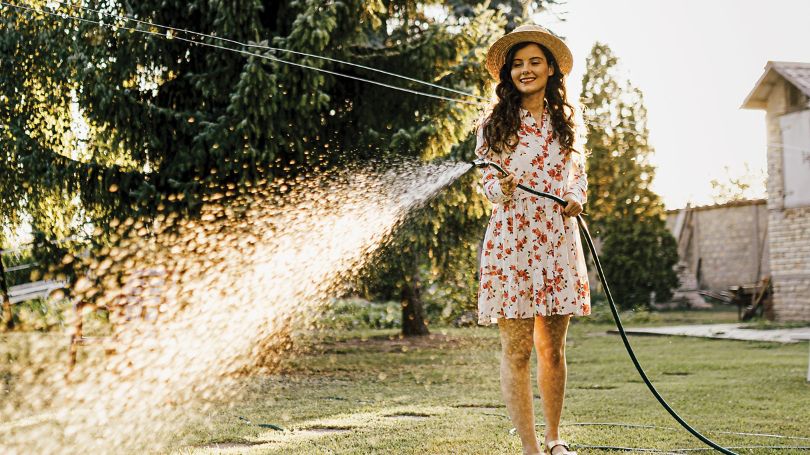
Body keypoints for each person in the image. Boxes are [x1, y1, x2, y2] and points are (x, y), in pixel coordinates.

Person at [474, 24, 590, 455]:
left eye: (534, 62)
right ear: (508, 74)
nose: (525, 70)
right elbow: (485, 179)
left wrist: (575, 199)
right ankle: (529, 448)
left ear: (551, 69)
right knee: (517, 350)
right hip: (512, 243)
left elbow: (576, 177)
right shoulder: (492, 124)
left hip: (557, 239)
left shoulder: (567, 123)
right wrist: (501, 187)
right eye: (518, 64)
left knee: (552, 349)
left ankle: (555, 439)